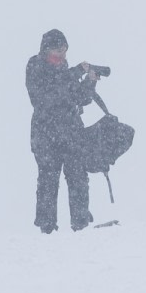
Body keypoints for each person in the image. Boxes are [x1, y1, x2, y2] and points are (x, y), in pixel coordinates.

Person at [25, 29, 99, 233]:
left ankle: (81, 225)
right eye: (59, 50)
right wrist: (75, 73)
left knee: (78, 178)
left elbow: (80, 98)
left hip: (72, 132)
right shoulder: (35, 65)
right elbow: (43, 99)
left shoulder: (65, 69)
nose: (63, 55)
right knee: (48, 180)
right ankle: (47, 229)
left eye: (65, 50)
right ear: (47, 49)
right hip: (45, 134)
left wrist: (90, 81)